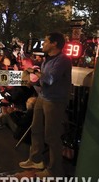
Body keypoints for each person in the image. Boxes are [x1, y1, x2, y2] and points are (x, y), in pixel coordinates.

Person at [19, 32, 72, 178]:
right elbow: (43, 81)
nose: (43, 44)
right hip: (43, 97)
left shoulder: (63, 60)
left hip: (55, 101)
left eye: (45, 42)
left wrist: (35, 71)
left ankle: (55, 171)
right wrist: (33, 79)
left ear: (54, 43)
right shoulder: (47, 59)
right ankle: (36, 160)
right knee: (36, 129)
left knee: (52, 136)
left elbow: (49, 79)